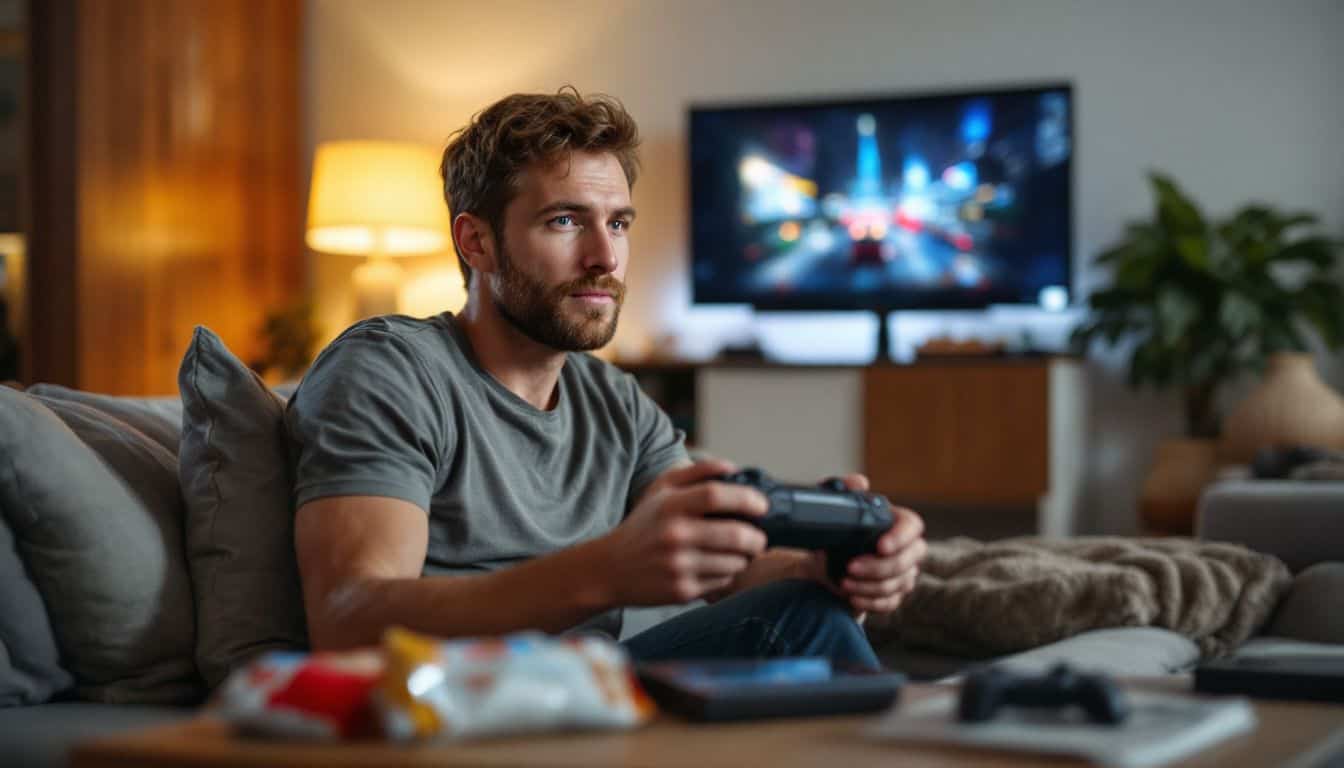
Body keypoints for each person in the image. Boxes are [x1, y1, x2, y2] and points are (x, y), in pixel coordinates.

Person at [286, 88, 926, 668]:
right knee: (802, 628)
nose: (606, 257)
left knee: (804, 609)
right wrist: (605, 573)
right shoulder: (390, 369)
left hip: (589, 698)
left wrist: (830, 566)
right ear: (475, 243)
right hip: (446, 706)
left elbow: (727, 563)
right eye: (564, 221)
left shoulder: (615, 399)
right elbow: (349, 623)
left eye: (617, 222)